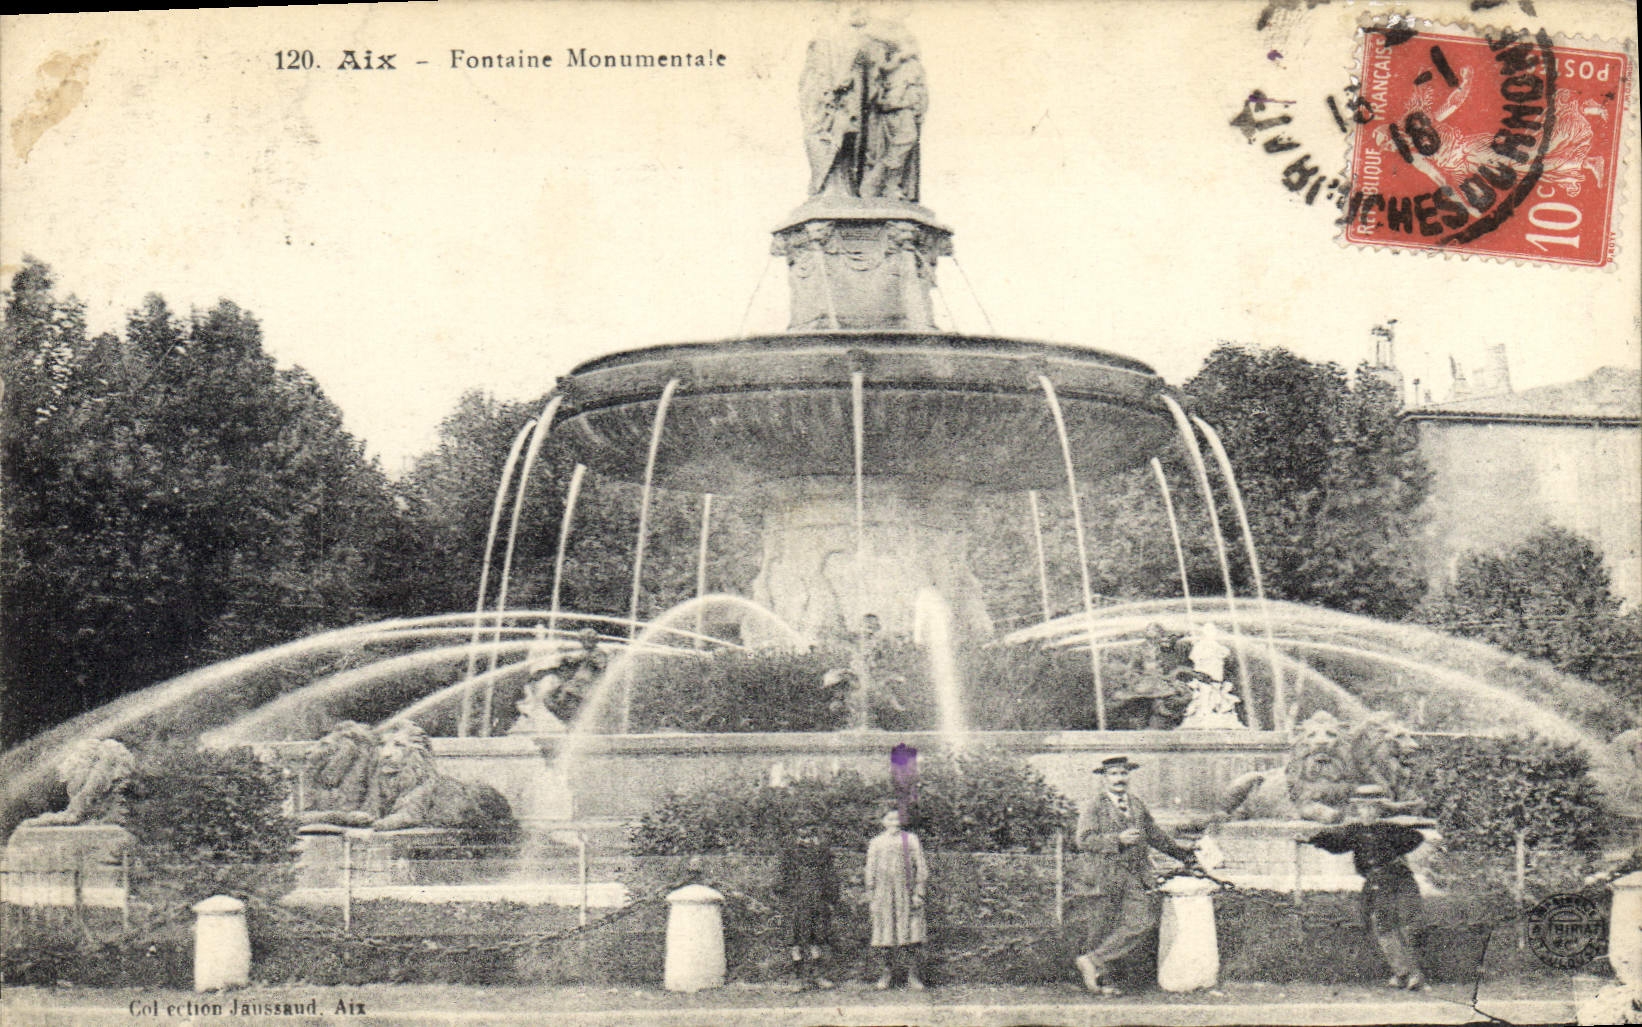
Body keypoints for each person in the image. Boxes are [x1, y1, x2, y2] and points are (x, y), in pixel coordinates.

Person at [1070, 755, 1196, 996]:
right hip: (1105, 873)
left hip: (1134, 874)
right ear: (1104, 779)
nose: (1120, 779)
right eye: (1114, 774)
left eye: (1123, 774)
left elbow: (1155, 835)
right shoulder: (1095, 805)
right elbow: (1083, 839)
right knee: (1103, 925)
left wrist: (1184, 855)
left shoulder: (1136, 804)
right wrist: (1117, 840)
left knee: (1142, 921)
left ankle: (1092, 960)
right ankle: (1102, 982)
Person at [1305, 784, 1429, 990]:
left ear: (1380, 810)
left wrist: (1393, 851)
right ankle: (1402, 973)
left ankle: (1414, 974)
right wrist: (1313, 839)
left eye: (1374, 808)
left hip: (1400, 880)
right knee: (1383, 927)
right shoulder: (1354, 831)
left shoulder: (1390, 829)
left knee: (1407, 924)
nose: (1369, 812)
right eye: (1364, 808)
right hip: (1377, 884)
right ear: (1357, 810)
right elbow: (1335, 842)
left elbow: (1416, 837)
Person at [777, 807, 841, 990]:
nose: (805, 830)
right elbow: (783, 874)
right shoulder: (789, 848)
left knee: (817, 937)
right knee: (796, 937)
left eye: (809, 826)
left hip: (817, 896)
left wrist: (831, 897)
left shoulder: (822, 848)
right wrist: (784, 895)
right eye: (801, 826)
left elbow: (830, 874)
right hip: (796, 898)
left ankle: (817, 975)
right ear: (796, 829)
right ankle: (799, 978)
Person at [865, 808, 928, 990]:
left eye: (898, 819)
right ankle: (886, 975)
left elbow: (921, 866)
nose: (895, 823)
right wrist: (871, 892)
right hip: (883, 894)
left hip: (906, 894)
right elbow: (870, 868)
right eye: (890, 819)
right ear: (883, 821)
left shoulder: (911, 839)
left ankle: (912, 976)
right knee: (884, 934)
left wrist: (918, 892)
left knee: (911, 933)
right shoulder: (876, 842)